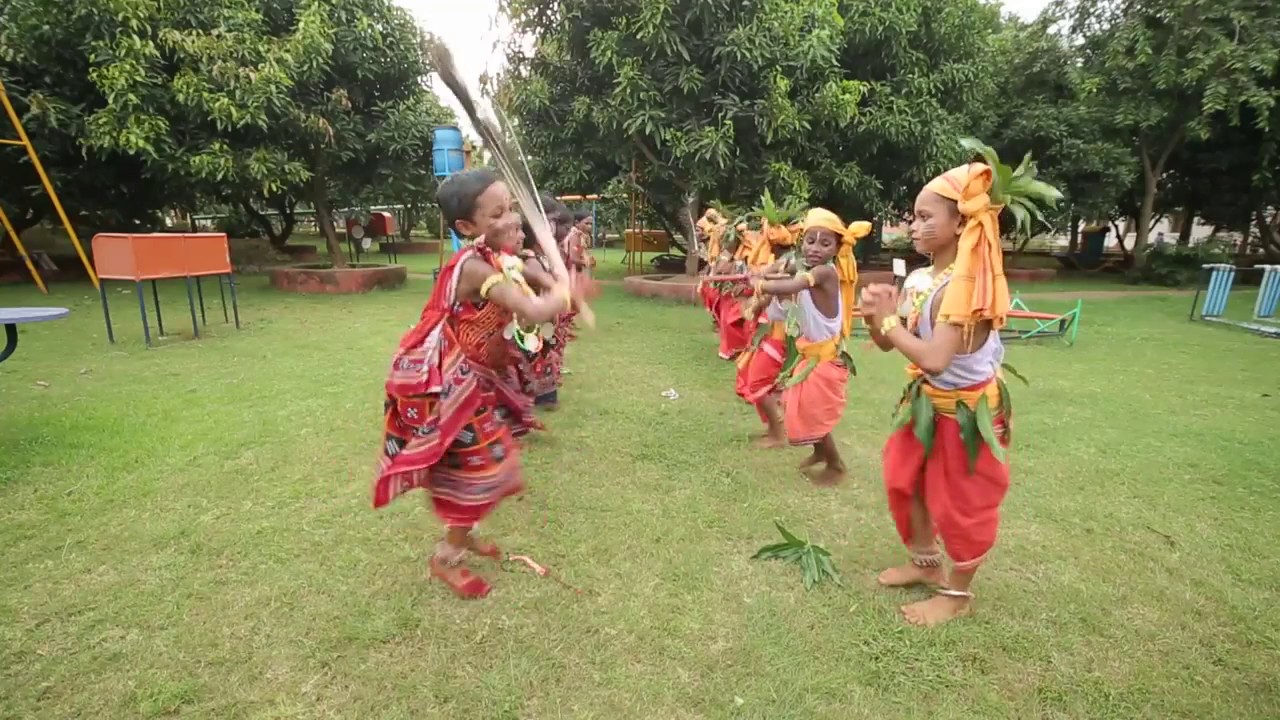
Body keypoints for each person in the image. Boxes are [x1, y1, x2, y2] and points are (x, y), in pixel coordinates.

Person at [373, 169, 581, 600]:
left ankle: (459, 536)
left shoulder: (497, 258)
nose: (514, 222)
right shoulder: (471, 267)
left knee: (486, 462)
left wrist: (553, 278)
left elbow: (529, 274)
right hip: (439, 383)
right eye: (498, 214)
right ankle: (446, 554)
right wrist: (561, 294)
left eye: (512, 210)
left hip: (468, 379)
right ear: (467, 228)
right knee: (482, 467)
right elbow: (531, 308)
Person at [860, 161, 1014, 626]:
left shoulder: (969, 289)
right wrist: (876, 314)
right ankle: (925, 564)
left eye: (927, 216)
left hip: (968, 416)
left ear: (962, 224)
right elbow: (891, 341)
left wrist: (887, 320)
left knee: (962, 506)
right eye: (914, 215)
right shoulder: (922, 280)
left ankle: (956, 594)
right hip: (927, 403)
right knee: (902, 479)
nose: (915, 225)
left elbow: (935, 358)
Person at [751, 209, 869, 483]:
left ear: (837, 249)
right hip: (810, 356)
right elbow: (784, 272)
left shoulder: (825, 272)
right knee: (801, 408)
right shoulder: (806, 267)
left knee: (814, 415)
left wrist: (763, 286)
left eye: (825, 243)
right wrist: (762, 274)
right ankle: (821, 453)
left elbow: (791, 283)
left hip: (825, 359)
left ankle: (836, 465)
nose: (815, 248)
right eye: (810, 241)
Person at [734, 221, 802, 447]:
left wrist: (757, 283)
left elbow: (767, 284)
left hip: (781, 337)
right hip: (773, 334)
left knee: (757, 384)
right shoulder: (785, 264)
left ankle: (778, 434)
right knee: (757, 381)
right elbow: (764, 283)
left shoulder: (792, 266)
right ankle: (775, 428)